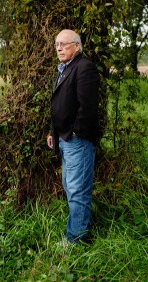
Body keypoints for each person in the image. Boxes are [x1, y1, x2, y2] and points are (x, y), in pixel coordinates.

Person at [47, 29, 100, 244]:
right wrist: (53, 131)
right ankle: (82, 226)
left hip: (77, 140)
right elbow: (57, 104)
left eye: (64, 44)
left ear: (76, 46)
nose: (59, 48)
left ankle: (76, 239)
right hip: (64, 138)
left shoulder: (84, 67)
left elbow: (88, 107)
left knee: (78, 190)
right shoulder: (64, 68)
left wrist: (75, 132)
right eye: (57, 44)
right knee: (70, 186)